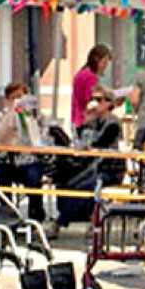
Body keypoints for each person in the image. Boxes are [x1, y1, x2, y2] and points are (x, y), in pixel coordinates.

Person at [50, 88, 124, 237]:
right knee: (66, 180)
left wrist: (87, 142)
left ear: (109, 103)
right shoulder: (93, 121)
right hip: (90, 166)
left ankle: (60, 222)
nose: (94, 103)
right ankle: (83, 219)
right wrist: (85, 119)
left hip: (109, 169)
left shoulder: (113, 124)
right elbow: (80, 139)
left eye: (99, 100)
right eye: (93, 99)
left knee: (82, 187)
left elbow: (100, 144)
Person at [0, 82, 47, 223]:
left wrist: (31, 124)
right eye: (15, 97)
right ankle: (8, 214)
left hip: (28, 160)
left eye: (22, 97)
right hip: (5, 161)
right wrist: (10, 117)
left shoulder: (36, 117)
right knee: (0, 176)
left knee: (33, 176)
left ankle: (36, 215)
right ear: (7, 100)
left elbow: (43, 140)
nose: (19, 101)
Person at [72, 44, 111, 138]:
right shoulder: (91, 77)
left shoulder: (82, 73)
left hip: (76, 119)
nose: (105, 66)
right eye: (104, 62)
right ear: (96, 60)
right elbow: (90, 101)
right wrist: (109, 103)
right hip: (86, 120)